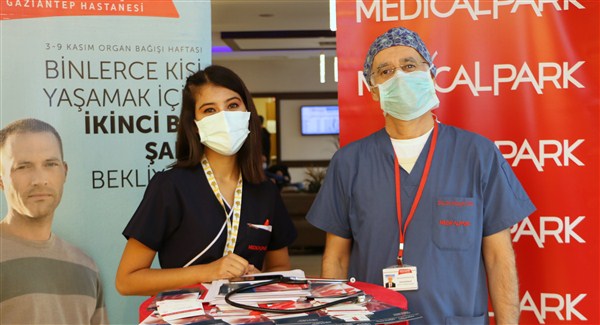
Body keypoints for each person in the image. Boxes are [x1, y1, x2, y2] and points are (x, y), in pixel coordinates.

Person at [306, 27, 536, 324]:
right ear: (373, 89)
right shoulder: (349, 162)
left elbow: (498, 258)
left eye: (410, 65)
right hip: (373, 319)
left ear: (431, 75)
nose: (399, 76)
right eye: (385, 71)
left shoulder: (478, 155)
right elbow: (335, 259)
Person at [116, 65, 297, 296]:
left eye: (232, 105)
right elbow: (127, 281)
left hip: (248, 316)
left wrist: (256, 279)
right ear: (194, 123)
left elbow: (280, 267)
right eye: (210, 110)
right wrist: (208, 272)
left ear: (247, 112)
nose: (224, 117)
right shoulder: (170, 187)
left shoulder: (265, 191)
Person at [0, 118, 108, 324]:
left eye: (50, 164)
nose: (39, 179)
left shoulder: (86, 267)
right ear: (1, 178)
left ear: (64, 172)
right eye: (23, 167)